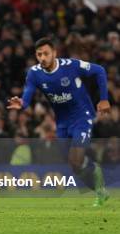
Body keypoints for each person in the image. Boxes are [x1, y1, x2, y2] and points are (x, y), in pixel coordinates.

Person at [7, 37, 110, 206]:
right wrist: (23, 103)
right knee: (74, 165)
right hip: (61, 123)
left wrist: (104, 99)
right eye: (39, 54)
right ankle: (98, 184)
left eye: (46, 53)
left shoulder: (71, 66)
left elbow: (99, 70)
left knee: (76, 160)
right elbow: (28, 93)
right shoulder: (34, 73)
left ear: (54, 53)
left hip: (82, 117)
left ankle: (98, 186)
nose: (42, 58)